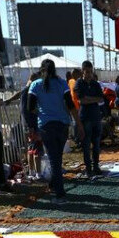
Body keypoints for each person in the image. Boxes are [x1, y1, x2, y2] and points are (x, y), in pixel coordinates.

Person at [27, 59, 83, 203]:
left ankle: (60, 194)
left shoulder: (35, 85)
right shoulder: (62, 83)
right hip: (63, 124)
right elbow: (70, 106)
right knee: (56, 158)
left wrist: (41, 112)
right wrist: (79, 124)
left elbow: (30, 107)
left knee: (54, 159)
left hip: (46, 125)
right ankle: (54, 185)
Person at [73, 60, 106, 179]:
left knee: (96, 144)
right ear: (83, 71)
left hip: (96, 117)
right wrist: (94, 99)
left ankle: (96, 166)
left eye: (91, 72)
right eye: (87, 72)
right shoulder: (78, 84)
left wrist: (89, 99)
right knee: (86, 144)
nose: (89, 74)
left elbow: (101, 98)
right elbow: (82, 100)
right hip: (85, 117)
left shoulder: (95, 84)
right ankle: (88, 168)